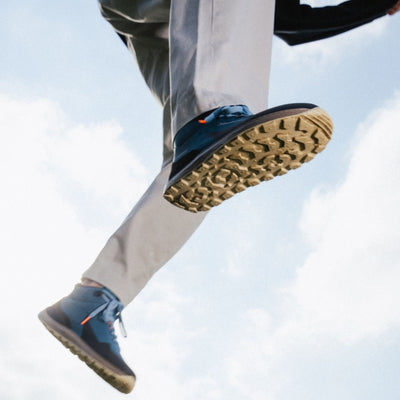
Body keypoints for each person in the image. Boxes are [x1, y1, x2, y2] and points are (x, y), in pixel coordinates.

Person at [38, 0, 400, 394]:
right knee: (219, 114)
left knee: (205, 166)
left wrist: (375, 6)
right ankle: (211, 114)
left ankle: (96, 298)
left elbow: (287, 20)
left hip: (165, 18)